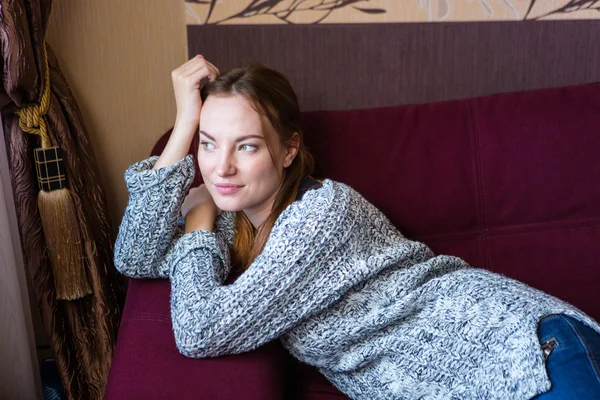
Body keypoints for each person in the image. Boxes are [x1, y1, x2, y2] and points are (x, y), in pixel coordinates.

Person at [114, 55, 600, 400]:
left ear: (288, 151)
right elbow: (133, 256)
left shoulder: (323, 215)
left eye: (246, 146)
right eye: (208, 143)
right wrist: (182, 125)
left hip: (523, 349)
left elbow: (202, 331)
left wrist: (196, 225)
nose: (220, 169)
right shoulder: (232, 224)